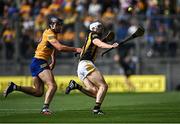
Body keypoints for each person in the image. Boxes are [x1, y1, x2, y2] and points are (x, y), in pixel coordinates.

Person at [3, 16, 82, 115]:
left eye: (60, 25)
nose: (60, 27)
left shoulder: (51, 33)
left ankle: (15, 87)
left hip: (36, 62)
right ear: (51, 25)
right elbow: (59, 47)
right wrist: (76, 49)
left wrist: (53, 60)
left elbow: (53, 48)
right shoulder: (50, 33)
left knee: (38, 91)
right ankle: (45, 109)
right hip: (40, 61)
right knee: (52, 85)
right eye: (57, 25)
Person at [65, 21, 119, 115]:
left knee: (95, 93)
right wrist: (111, 46)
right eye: (98, 27)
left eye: (101, 27)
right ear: (93, 29)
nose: (101, 29)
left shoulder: (90, 37)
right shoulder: (93, 35)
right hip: (87, 64)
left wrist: (105, 41)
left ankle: (75, 85)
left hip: (80, 67)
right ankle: (96, 109)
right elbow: (99, 43)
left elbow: (92, 46)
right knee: (103, 86)